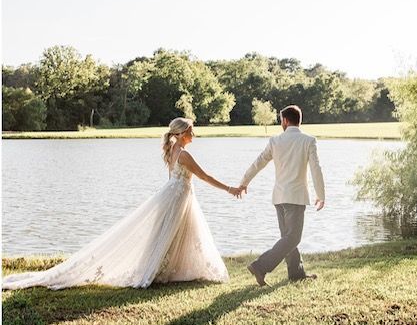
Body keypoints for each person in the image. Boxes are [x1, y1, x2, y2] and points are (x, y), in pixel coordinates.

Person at [3, 118, 240, 290]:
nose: (194, 135)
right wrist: (230, 188)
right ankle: (154, 272)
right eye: (191, 131)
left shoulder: (171, 151)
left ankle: (161, 269)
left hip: (174, 195)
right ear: (182, 133)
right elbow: (205, 176)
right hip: (179, 196)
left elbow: (173, 178)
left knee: (169, 234)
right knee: (171, 233)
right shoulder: (185, 155)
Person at [239, 105, 325, 286]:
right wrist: (321, 194)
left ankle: (296, 274)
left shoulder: (275, 141)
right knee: (292, 237)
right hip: (296, 197)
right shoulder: (308, 140)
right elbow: (316, 168)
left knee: (288, 237)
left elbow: (258, 163)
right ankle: (260, 266)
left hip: (279, 197)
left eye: (281, 120)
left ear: (285, 121)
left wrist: (244, 182)